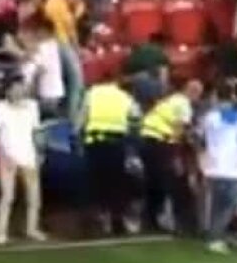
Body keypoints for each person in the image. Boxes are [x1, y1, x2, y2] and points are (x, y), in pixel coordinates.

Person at [139, 79, 204, 234]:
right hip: (161, 142)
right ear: (193, 92)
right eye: (198, 94)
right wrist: (178, 153)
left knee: (154, 183)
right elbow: (179, 128)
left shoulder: (172, 100)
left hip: (147, 139)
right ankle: (180, 224)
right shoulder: (184, 104)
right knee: (174, 182)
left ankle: (150, 220)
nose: (198, 99)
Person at [199, 80, 237, 253]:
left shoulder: (209, 117)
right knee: (229, 205)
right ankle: (215, 237)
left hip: (212, 166)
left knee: (217, 204)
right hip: (232, 168)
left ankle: (212, 234)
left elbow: (201, 137)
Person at [0, 75, 46, 245]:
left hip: (29, 156)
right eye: (15, 88)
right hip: (8, 158)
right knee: (8, 196)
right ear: (8, 91)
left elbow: (36, 131)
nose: (19, 91)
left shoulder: (32, 107)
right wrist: (2, 155)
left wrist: (39, 152)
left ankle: (32, 229)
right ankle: (1, 232)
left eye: (21, 87)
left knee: (34, 196)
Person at [80, 75, 141, 235]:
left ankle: (99, 220)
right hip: (116, 144)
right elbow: (135, 119)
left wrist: (78, 136)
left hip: (94, 144)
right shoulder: (124, 97)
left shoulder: (91, 94)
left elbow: (81, 118)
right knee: (117, 183)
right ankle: (117, 220)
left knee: (96, 183)